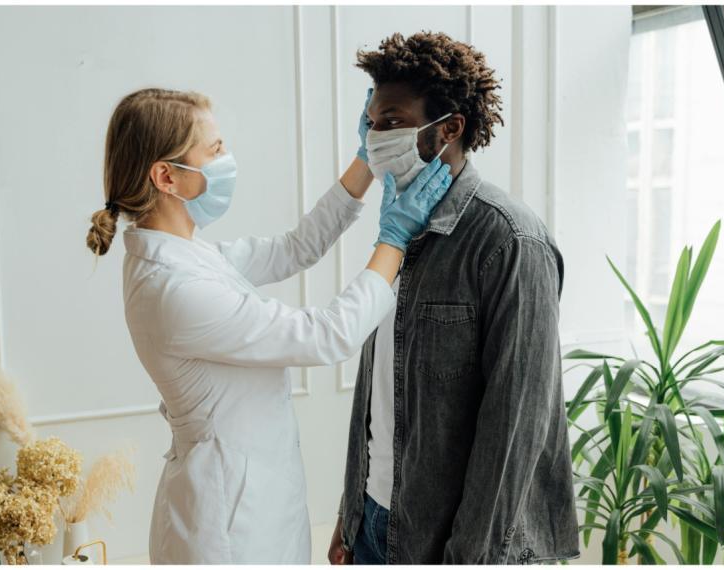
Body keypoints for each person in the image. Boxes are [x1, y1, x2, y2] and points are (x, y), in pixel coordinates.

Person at [84, 87, 452, 564]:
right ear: (166, 176)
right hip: (228, 527)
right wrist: (393, 238)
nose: (227, 159)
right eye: (214, 150)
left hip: (249, 499)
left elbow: (294, 248)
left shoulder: (186, 255)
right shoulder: (173, 289)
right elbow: (327, 336)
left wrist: (365, 161)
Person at [328, 32, 580, 565]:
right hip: (375, 521)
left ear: (449, 129)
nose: (375, 137)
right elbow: (379, 390)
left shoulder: (512, 242)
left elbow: (514, 428)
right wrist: (350, 515)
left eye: (392, 121)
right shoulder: (398, 231)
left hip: (448, 544)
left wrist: (469, 558)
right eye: (371, 123)